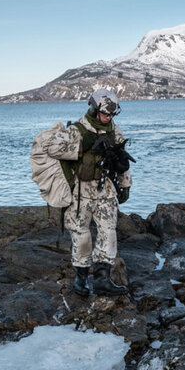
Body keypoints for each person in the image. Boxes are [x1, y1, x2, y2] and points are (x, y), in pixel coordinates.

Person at [48, 89, 132, 297]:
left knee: (108, 231)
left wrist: (125, 184)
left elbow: (123, 158)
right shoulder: (77, 130)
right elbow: (52, 148)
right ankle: (81, 279)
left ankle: (103, 280)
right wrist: (80, 147)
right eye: (105, 113)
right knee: (81, 235)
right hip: (80, 192)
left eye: (111, 114)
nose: (108, 117)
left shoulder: (114, 131)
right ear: (94, 110)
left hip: (105, 190)